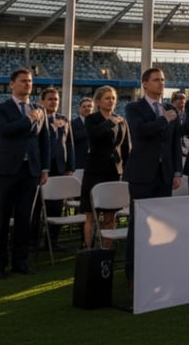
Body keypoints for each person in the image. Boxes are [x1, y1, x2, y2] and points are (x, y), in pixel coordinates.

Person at [0, 67, 51, 279]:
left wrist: (44, 168)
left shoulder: (38, 109)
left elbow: (44, 140)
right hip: (6, 170)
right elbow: (4, 131)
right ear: (12, 84)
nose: (27, 84)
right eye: (23, 81)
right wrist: (29, 119)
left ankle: (20, 262)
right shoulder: (1, 108)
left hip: (31, 170)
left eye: (30, 81)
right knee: (2, 218)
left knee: (26, 218)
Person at [124, 68, 183, 283]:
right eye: (156, 80)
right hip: (141, 174)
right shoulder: (134, 107)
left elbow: (175, 143)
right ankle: (133, 273)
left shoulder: (169, 109)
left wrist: (177, 171)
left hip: (164, 174)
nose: (161, 83)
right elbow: (140, 131)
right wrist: (163, 121)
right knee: (138, 223)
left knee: (161, 224)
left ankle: (157, 266)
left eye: (163, 80)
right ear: (145, 84)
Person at [80, 85, 130, 249]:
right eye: (107, 98)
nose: (111, 101)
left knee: (110, 214)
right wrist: (109, 122)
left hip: (113, 171)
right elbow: (93, 135)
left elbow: (125, 148)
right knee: (91, 215)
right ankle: (89, 250)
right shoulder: (92, 119)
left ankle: (107, 250)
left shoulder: (121, 120)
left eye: (113, 98)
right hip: (95, 171)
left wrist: (126, 169)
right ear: (98, 101)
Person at [37, 87, 74, 249]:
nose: (54, 102)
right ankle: (33, 241)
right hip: (40, 167)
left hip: (59, 168)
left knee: (56, 207)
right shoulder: (36, 117)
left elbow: (70, 145)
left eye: (56, 99)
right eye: (50, 99)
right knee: (37, 207)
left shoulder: (63, 119)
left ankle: (52, 241)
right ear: (42, 101)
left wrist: (70, 167)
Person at [71, 96, 93, 171]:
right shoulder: (73, 123)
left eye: (89, 106)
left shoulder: (98, 122)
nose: (87, 108)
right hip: (79, 163)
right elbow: (74, 137)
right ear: (79, 108)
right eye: (84, 106)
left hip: (94, 163)